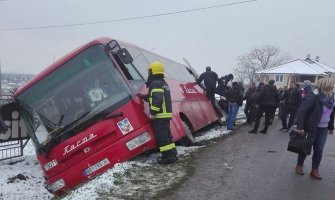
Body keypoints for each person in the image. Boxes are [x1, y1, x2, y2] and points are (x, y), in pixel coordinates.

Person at [295, 78, 335, 180]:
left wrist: (331, 126)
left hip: (323, 129)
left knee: (319, 150)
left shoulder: (330, 97)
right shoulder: (313, 96)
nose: (332, 87)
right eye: (331, 86)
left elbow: (332, 113)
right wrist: (300, 127)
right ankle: (299, 165)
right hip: (311, 127)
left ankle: (314, 170)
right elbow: (302, 111)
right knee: (305, 147)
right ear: (326, 86)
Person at [141, 61, 178, 164]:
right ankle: (173, 154)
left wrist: (153, 113)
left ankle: (167, 157)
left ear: (153, 71)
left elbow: (157, 99)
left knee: (162, 136)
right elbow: (156, 96)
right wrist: (145, 97)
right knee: (167, 136)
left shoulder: (155, 83)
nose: (149, 73)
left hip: (160, 115)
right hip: (165, 114)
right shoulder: (162, 83)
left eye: (150, 71)